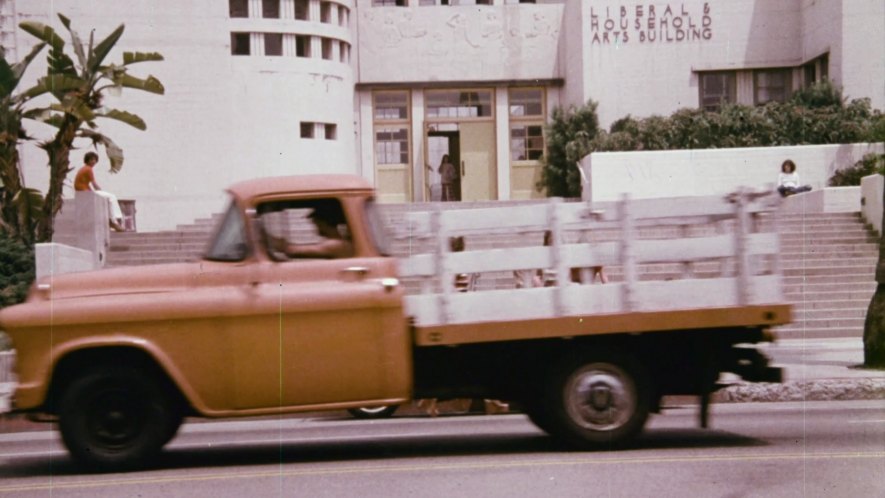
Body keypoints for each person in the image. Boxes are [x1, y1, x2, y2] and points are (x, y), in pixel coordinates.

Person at [270, 203, 354, 259]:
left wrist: (267, 239)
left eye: (315, 223)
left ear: (323, 223)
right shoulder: (342, 242)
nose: (314, 227)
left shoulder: (337, 244)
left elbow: (291, 249)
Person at [73, 151, 125, 232]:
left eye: (94, 160)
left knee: (107, 198)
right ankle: (114, 221)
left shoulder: (84, 168)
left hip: (84, 192)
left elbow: (85, 184)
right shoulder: (88, 169)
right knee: (111, 197)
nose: (93, 161)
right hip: (85, 193)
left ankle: (112, 221)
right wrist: (101, 192)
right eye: (91, 160)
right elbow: (94, 184)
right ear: (87, 160)